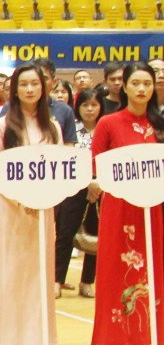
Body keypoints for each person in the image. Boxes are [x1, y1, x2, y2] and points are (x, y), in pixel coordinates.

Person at [0, 63, 61, 345]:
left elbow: (59, 170)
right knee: (9, 274)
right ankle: (6, 344)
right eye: (24, 84)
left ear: (44, 87)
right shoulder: (2, 126)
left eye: (35, 84)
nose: (30, 89)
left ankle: (39, 342)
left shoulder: (52, 126)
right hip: (10, 209)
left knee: (38, 275)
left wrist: (42, 198)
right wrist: (22, 200)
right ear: (14, 90)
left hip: (43, 210)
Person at [89, 62, 164, 345]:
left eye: (147, 83)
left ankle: (148, 334)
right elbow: (95, 163)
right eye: (136, 83)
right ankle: (115, 336)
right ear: (125, 87)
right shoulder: (108, 123)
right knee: (116, 266)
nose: (142, 89)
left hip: (154, 207)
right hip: (119, 207)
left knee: (153, 266)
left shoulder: (160, 125)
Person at [55, 88, 102, 298]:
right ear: (78, 107)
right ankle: (57, 280)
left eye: (94, 105)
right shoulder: (71, 127)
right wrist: (85, 181)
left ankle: (87, 282)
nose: (89, 109)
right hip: (74, 187)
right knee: (65, 234)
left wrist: (96, 183)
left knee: (94, 236)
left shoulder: (105, 127)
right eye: (85, 105)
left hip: (100, 188)